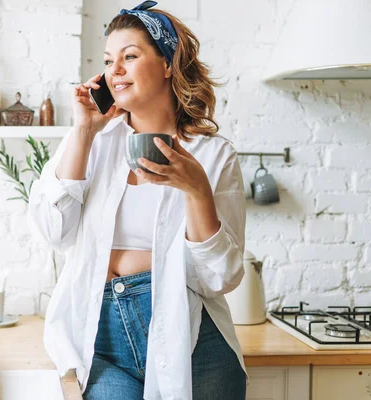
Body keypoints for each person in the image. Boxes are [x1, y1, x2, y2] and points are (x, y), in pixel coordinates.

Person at [28, 1, 247, 399]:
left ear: (167, 64)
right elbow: (54, 231)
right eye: (109, 60)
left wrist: (196, 189)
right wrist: (83, 132)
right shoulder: (90, 142)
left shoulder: (212, 156)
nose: (116, 70)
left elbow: (220, 278)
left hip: (192, 338)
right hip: (102, 339)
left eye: (130, 56)